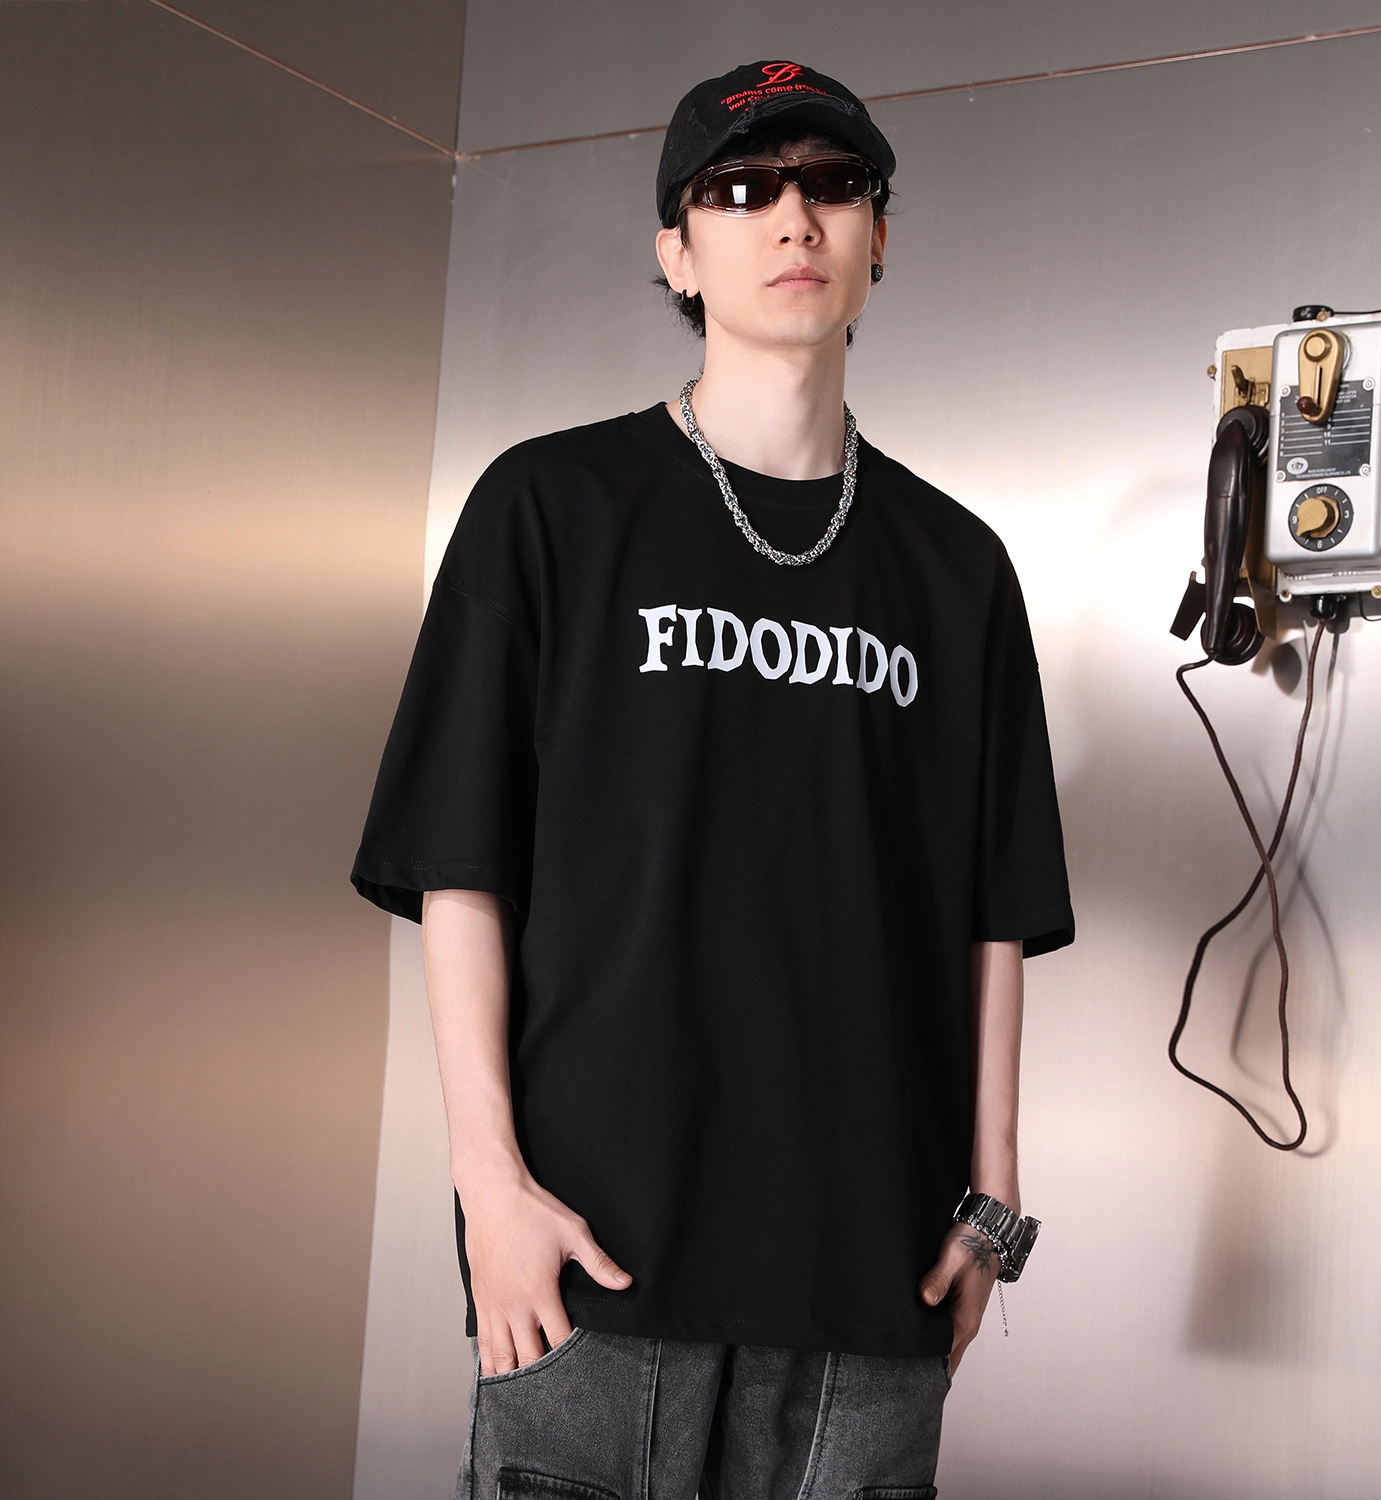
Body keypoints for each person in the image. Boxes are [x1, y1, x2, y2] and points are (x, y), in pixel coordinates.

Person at [352, 58, 1073, 1500]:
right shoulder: (547, 510)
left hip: (872, 1273)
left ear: (880, 236)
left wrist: (992, 1198)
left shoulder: (958, 569)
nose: (793, 219)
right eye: (742, 190)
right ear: (676, 251)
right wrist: (490, 1187)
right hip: (590, 1263)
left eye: (834, 186)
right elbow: (460, 870)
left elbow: (995, 905)